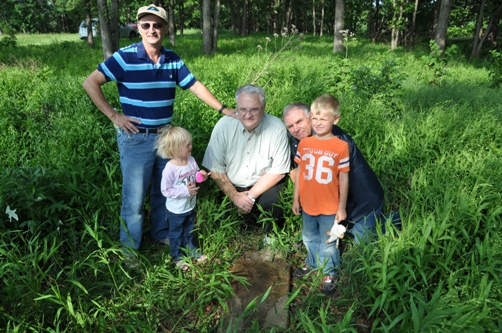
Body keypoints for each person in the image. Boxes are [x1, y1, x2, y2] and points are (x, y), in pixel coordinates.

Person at [82, 4, 235, 257]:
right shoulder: (125, 57)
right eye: (146, 25)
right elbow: (91, 82)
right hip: (135, 138)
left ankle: (161, 233)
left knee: (164, 190)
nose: (152, 29)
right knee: (134, 199)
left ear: (165, 28)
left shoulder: (172, 59)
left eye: (157, 25)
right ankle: (129, 250)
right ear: (138, 28)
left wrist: (223, 109)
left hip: (166, 138)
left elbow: (194, 85)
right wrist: (114, 115)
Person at [283, 102, 385, 245]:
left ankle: (396, 218)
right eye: (290, 126)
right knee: (329, 237)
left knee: (361, 242)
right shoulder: (299, 140)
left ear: (311, 117)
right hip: (333, 204)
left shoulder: (333, 139)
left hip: (363, 203)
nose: (296, 129)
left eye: (299, 121)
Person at [202, 84, 291, 232]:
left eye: (254, 109)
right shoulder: (223, 126)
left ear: (263, 107)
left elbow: (278, 171)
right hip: (231, 186)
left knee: (273, 203)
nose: (248, 115)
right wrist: (234, 196)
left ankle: (270, 236)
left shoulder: (276, 127)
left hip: (263, 186)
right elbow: (215, 168)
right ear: (236, 107)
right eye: (243, 109)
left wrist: (249, 196)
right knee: (225, 216)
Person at [292, 94, 350, 296]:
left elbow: (344, 178)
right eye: (314, 118)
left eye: (323, 119)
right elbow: (299, 172)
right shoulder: (304, 144)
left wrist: (341, 206)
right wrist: (295, 198)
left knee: (328, 240)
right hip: (308, 203)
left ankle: (329, 272)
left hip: (329, 205)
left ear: (335, 120)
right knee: (308, 236)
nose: (317, 123)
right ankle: (312, 262)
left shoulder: (341, 147)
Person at [155, 126, 209, 271]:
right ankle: (177, 256)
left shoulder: (191, 160)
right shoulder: (170, 169)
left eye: (190, 143)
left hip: (189, 205)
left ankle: (192, 250)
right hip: (176, 210)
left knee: (190, 229)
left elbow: (196, 176)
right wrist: (185, 191)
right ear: (174, 148)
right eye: (187, 145)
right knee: (176, 233)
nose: (191, 147)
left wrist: (201, 176)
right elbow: (165, 190)